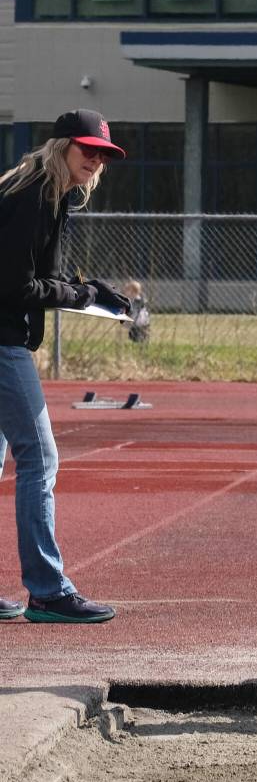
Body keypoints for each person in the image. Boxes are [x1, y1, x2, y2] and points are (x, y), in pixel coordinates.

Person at [0, 109, 130, 624]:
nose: (95, 160)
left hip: (6, 336)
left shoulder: (39, 189)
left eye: (103, 154)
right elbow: (13, 285)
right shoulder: (35, 196)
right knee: (40, 460)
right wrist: (78, 294)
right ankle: (49, 591)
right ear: (61, 147)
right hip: (2, 341)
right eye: (87, 149)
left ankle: (45, 588)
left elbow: (32, 276)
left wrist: (85, 290)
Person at [122, 279, 151, 343]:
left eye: (127, 290)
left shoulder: (136, 301)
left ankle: (141, 341)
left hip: (139, 322)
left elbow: (134, 312)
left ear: (133, 292)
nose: (125, 292)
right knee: (135, 335)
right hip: (140, 323)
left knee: (137, 335)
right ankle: (141, 341)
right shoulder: (136, 300)